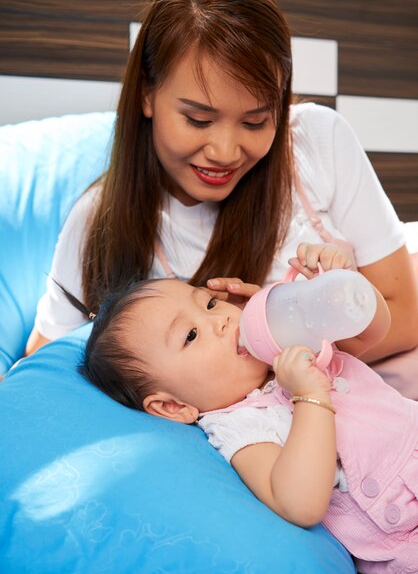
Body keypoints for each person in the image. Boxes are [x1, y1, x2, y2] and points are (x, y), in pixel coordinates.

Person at [25, 0, 418, 393]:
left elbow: (407, 315)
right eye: (198, 119)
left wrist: (271, 335)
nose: (226, 152)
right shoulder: (101, 223)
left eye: (255, 121)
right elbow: (43, 361)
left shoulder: (315, 140)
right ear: (146, 94)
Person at [61, 245, 417, 574]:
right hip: (402, 538)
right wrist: (310, 396)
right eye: (191, 335)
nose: (223, 321)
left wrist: (342, 285)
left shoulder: (285, 345)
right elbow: (301, 503)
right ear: (172, 405)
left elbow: (373, 332)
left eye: (211, 305)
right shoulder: (240, 425)